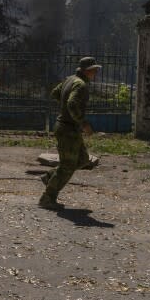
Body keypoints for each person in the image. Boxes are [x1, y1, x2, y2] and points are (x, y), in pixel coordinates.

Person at [39, 56, 101, 210]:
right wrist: (83, 122)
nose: (95, 73)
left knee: (83, 159)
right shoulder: (80, 85)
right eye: (94, 70)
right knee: (67, 165)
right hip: (68, 129)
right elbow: (72, 103)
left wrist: (66, 108)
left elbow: (55, 93)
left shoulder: (70, 80)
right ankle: (48, 198)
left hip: (66, 127)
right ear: (87, 71)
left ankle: (51, 177)